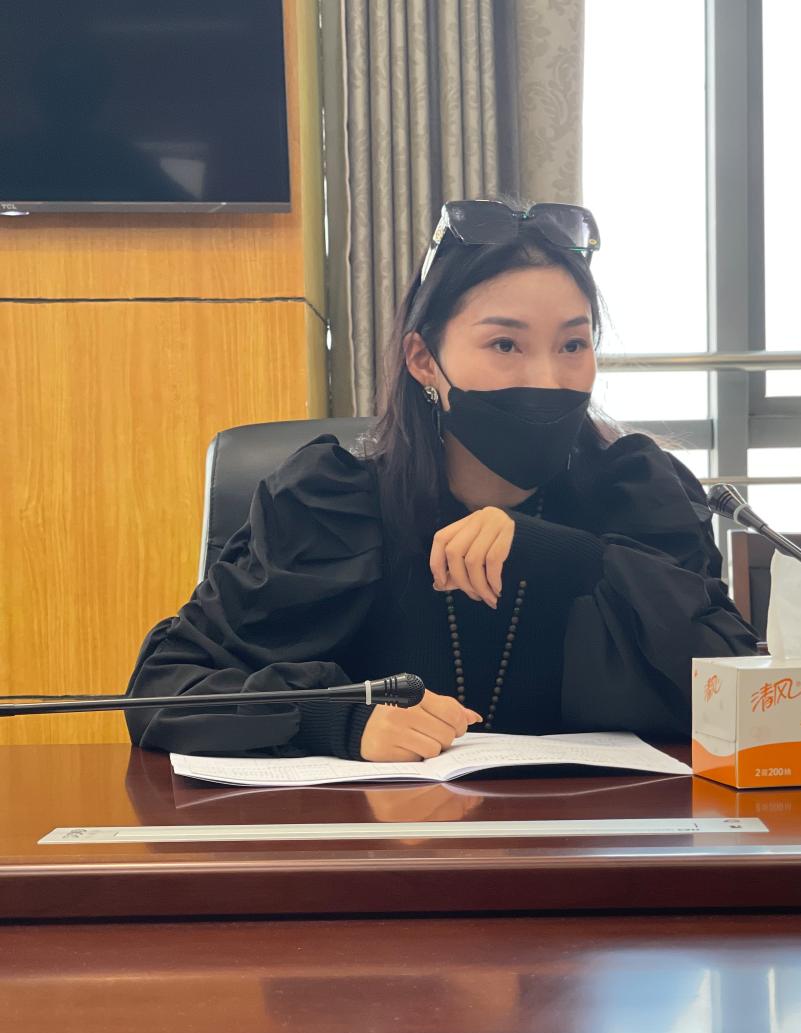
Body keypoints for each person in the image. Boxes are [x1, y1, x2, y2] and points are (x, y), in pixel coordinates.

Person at [126, 199, 758, 762]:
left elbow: (741, 688)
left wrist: (567, 556)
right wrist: (339, 719)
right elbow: (162, 689)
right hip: (387, 844)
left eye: (573, 345)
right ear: (424, 359)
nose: (547, 379)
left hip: (601, 842)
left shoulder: (636, 495)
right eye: (505, 345)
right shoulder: (329, 507)